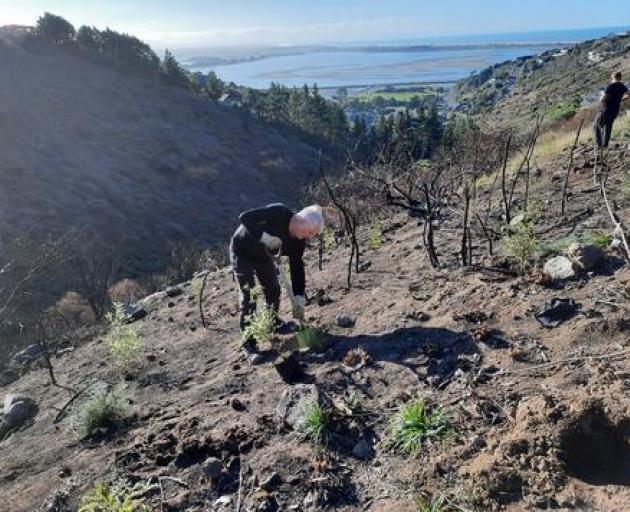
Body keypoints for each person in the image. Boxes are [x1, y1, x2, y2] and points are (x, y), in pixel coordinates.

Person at [230, 203, 324, 364]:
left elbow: (297, 268)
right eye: (309, 232)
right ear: (301, 221)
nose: (309, 237)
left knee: (273, 289)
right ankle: (248, 344)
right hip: (243, 250)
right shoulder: (279, 212)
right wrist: (265, 237)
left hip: (264, 256)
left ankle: (273, 322)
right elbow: (245, 217)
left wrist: (299, 298)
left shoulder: (298, 242)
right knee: (250, 296)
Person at [593, 71, 628, 149]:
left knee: (596, 126)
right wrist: (621, 99)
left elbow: (602, 99)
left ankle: (599, 146)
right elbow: (628, 94)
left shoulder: (610, 86)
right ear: (620, 77)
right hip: (615, 110)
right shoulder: (623, 86)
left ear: (613, 77)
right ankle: (605, 145)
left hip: (606, 109)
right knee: (608, 127)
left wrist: (601, 95)